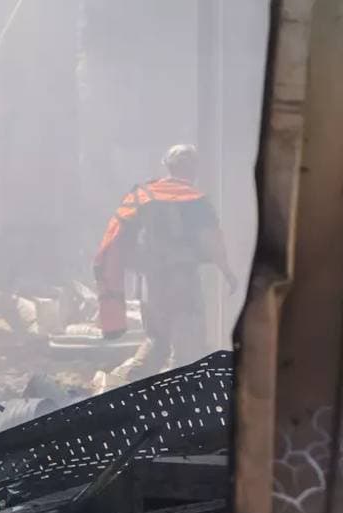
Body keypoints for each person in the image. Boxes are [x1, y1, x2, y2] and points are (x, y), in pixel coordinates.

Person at [93, 143, 236, 376]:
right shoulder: (195, 200)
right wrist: (227, 271)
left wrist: (136, 264)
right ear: (193, 169)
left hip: (151, 283)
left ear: (167, 167)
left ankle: (134, 383)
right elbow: (210, 240)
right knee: (188, 344)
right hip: (182, 279)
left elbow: (118, 237)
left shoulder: (143, 195)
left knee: (156, 340)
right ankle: (179, 398)